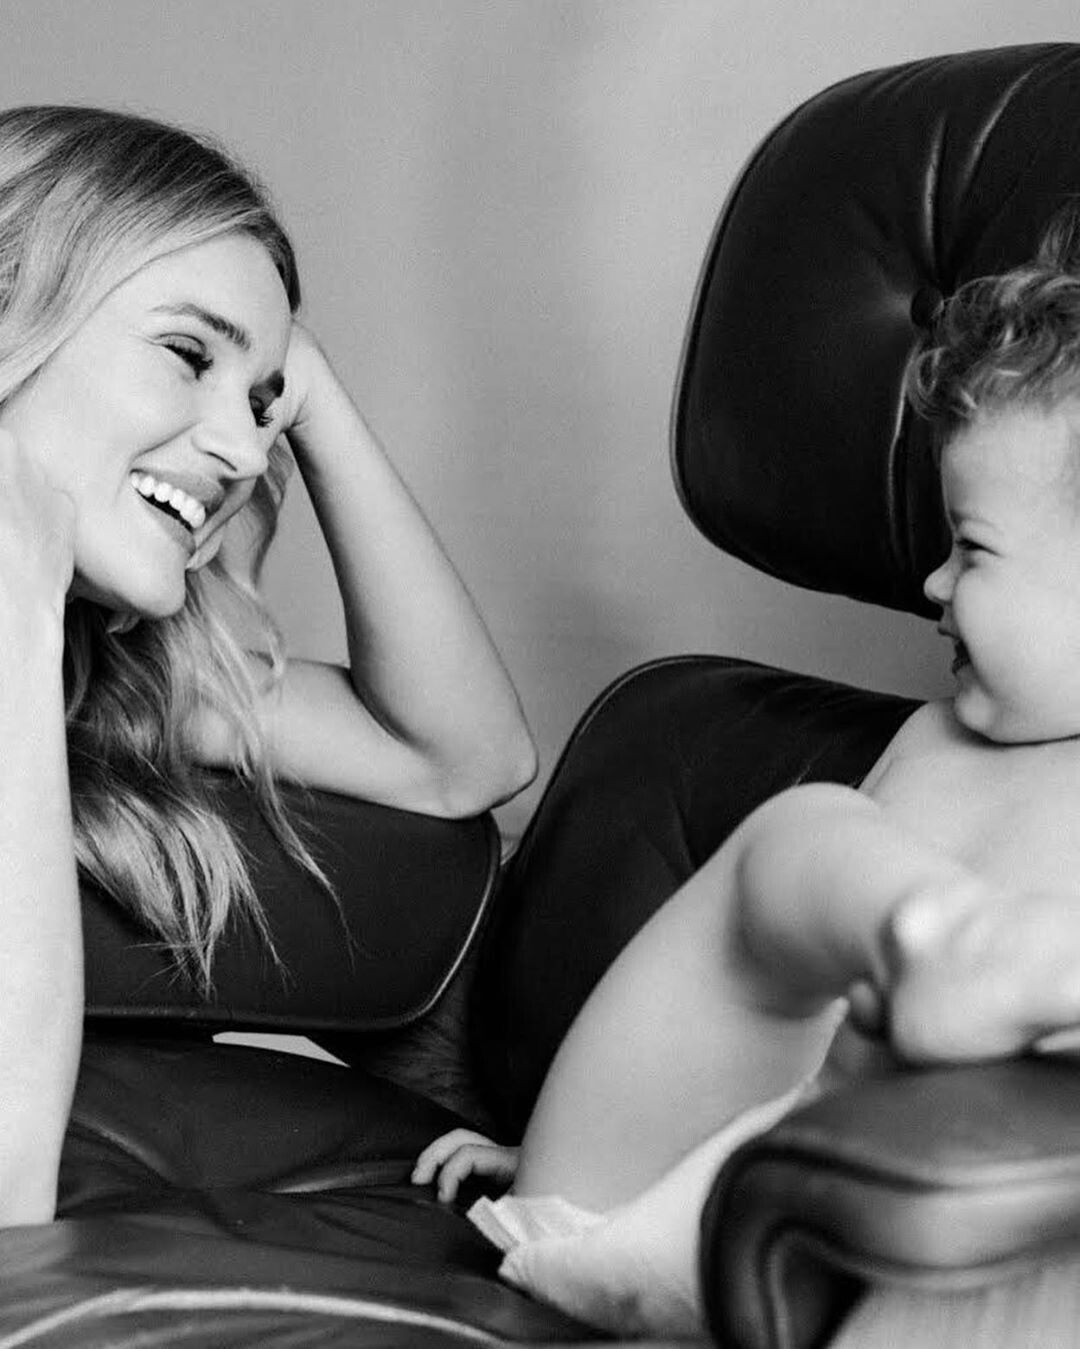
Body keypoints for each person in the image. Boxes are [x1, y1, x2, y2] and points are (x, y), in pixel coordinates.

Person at [413, 211, 1080, 1339]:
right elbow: (778, 1042)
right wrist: (591, 1127)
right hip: (716, 1203)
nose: (932, 581)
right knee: (804, 833)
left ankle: (969, 972)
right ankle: (958, 952)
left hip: (937, 1261)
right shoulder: (934, 740)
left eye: (972, 547)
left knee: (806, 838)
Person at [0, 105, 536, 1228]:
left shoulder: (99, 661)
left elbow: (462, 759)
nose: (247, 449)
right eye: (186, 354)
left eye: (262, 403)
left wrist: (313, 392)